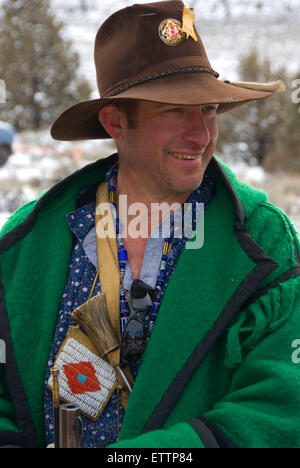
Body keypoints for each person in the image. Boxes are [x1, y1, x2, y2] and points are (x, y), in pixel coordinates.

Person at [0, 0, 299, 449]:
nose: (201, 135)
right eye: (174, 112)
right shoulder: (25, 244)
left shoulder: (264, 242)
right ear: (115, 121)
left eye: (209, 109)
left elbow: (282, 404)